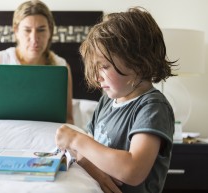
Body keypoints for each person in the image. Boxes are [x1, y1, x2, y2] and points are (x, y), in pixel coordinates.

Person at [55, 7, 176, 193]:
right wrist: (96, 172)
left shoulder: (152, 107)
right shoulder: (105, 103)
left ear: (138, 62)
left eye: (104, 66)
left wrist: (75, 138)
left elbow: (133, 169)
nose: (97, 77)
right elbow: (81, 155)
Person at [0, 0, 74, 124]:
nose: (34, 38)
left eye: (41, 30)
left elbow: (67, 119)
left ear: (50, 32)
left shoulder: (61, 67)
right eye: (27, 30)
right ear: (16, 31)